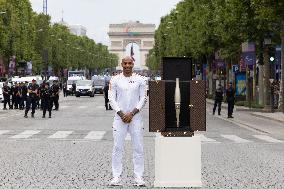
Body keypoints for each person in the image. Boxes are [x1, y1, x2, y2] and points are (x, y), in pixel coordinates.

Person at [108, 56, 147, 186]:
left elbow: (143, 99)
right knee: (117, 148)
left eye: (130, 63)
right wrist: (121, 113)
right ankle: (116, 176)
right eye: (125, 63)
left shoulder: (141, 80)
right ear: (121, 64)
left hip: (135, 118)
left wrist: (132, 113)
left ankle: (139, 177)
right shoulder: (114, 80)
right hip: (119, 118)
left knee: (138, 148)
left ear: (133, 64)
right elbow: (111, 99)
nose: (127, 65)